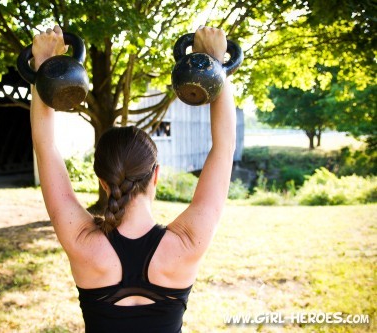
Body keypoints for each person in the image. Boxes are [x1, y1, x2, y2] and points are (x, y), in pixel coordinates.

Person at [30, 25, 236, 333]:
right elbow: (224, 146)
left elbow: (44, 145)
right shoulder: (187, 243)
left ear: (102, 180)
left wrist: (44, 69)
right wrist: (215, 64)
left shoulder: (83, 244)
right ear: (156, 175)